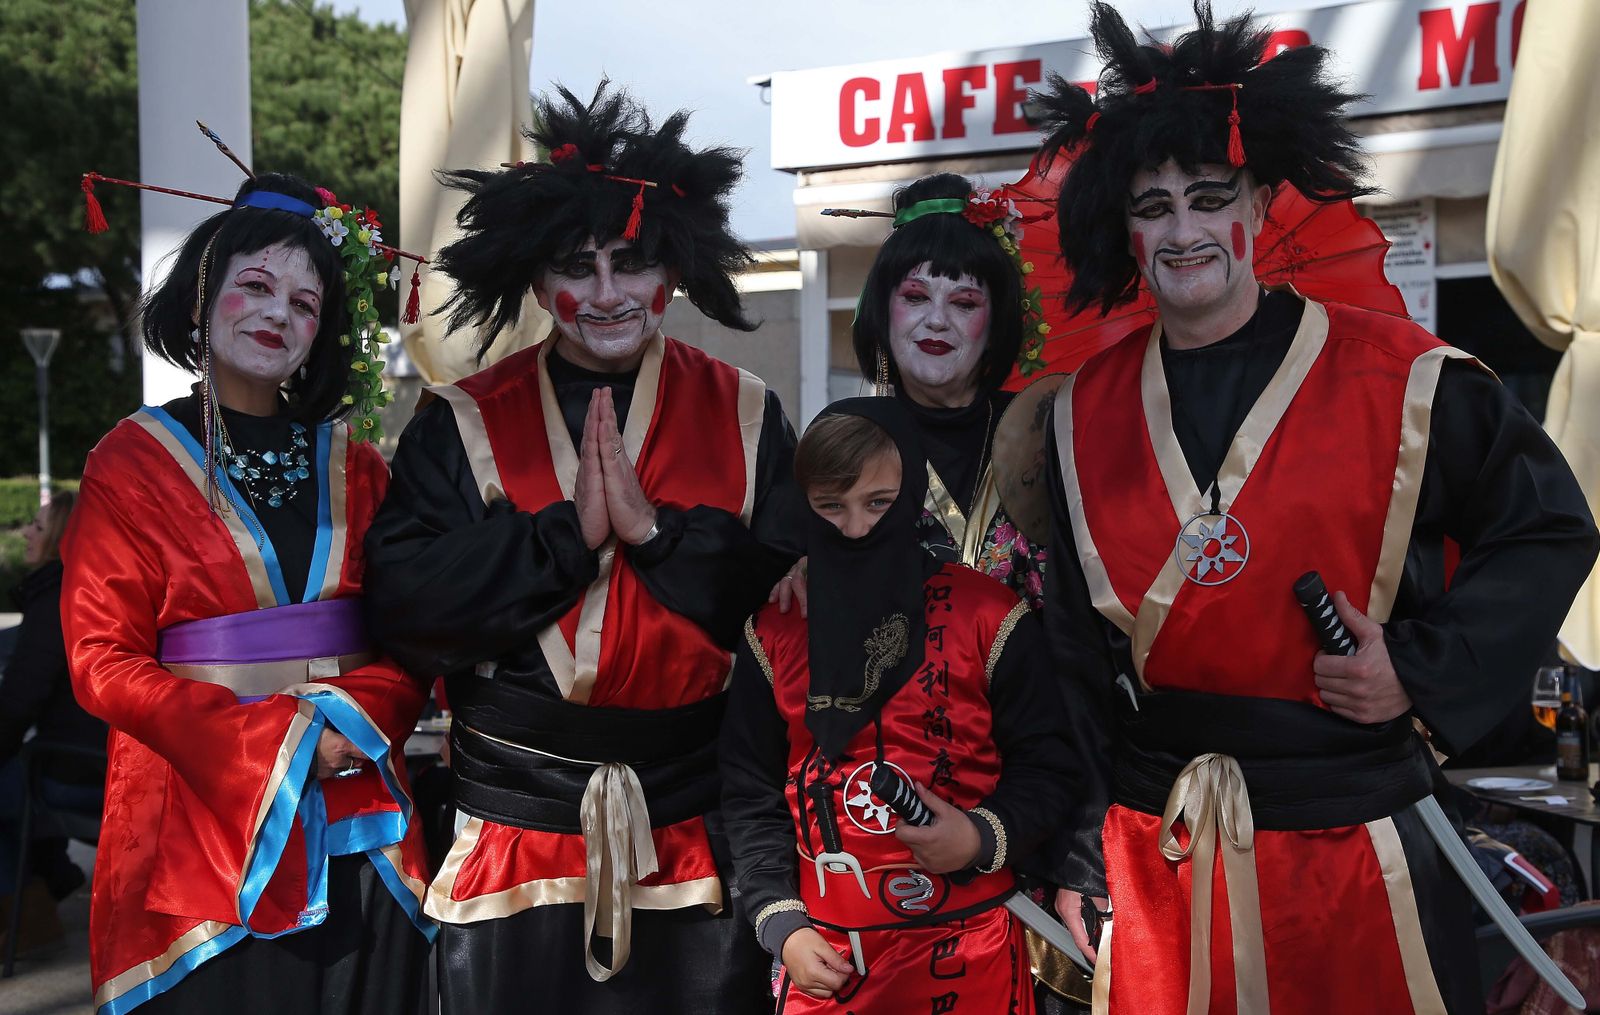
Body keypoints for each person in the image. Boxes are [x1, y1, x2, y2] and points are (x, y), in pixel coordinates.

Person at [1033, 4, 1600, 1013]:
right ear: (1122, 229)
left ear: (1255, 208)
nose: (1182, 230)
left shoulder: (1409, 377)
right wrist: (1077, 846)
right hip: (1155, 847)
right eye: (1151, 207)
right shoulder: (1077, 412)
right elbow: (1075, 661)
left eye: (1208, 198)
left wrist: (1417, 670)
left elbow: (1546, 528)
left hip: (1353, 839)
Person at [362, 82, 801, 1014]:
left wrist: (654, 535)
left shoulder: (750, 411)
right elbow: (404, 606)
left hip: (699, 833)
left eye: (630, 264)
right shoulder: (461, 419)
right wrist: (566, 539)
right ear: (533, 278)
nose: (605, 295)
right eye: (576, 266)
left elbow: (785, 611)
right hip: (512, 829)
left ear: (671, 276)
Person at [60, 172, 434, 1014]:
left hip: (358, 815)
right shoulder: (129, 460)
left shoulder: (362, 466)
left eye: (305, 304)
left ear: (322, 333)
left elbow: (415, 632)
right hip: (192, 823)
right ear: (202, 300)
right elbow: (100, 660)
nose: (278, 314)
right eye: (256, 286)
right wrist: (282, 742)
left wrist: (343, 725)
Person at [722, 398, 1074, 1014]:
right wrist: (782, 926)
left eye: (878, 503)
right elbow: (749, 788)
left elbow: (1049, 765)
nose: (855, 528)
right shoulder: (776, 628)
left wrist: (980, 837)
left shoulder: (986, 614)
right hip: (825, 959)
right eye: (831, 506)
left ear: (912, 492)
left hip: (970, 952)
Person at [774, 173, 1047, 619]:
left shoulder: (1042, 431)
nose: (937, 321)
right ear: (883, 312)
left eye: (964, 303)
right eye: (916, 297)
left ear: (996, 324)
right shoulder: (843, 433)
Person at [0, 492, 103, 954]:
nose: (26, 533)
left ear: (61, 539)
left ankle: (23, 914)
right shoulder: (101, 589)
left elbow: (18, 703)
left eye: (38, 527)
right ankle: (48, 879)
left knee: (6, 780)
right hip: (106, 761)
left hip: (79, 770)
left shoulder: (59, 599)